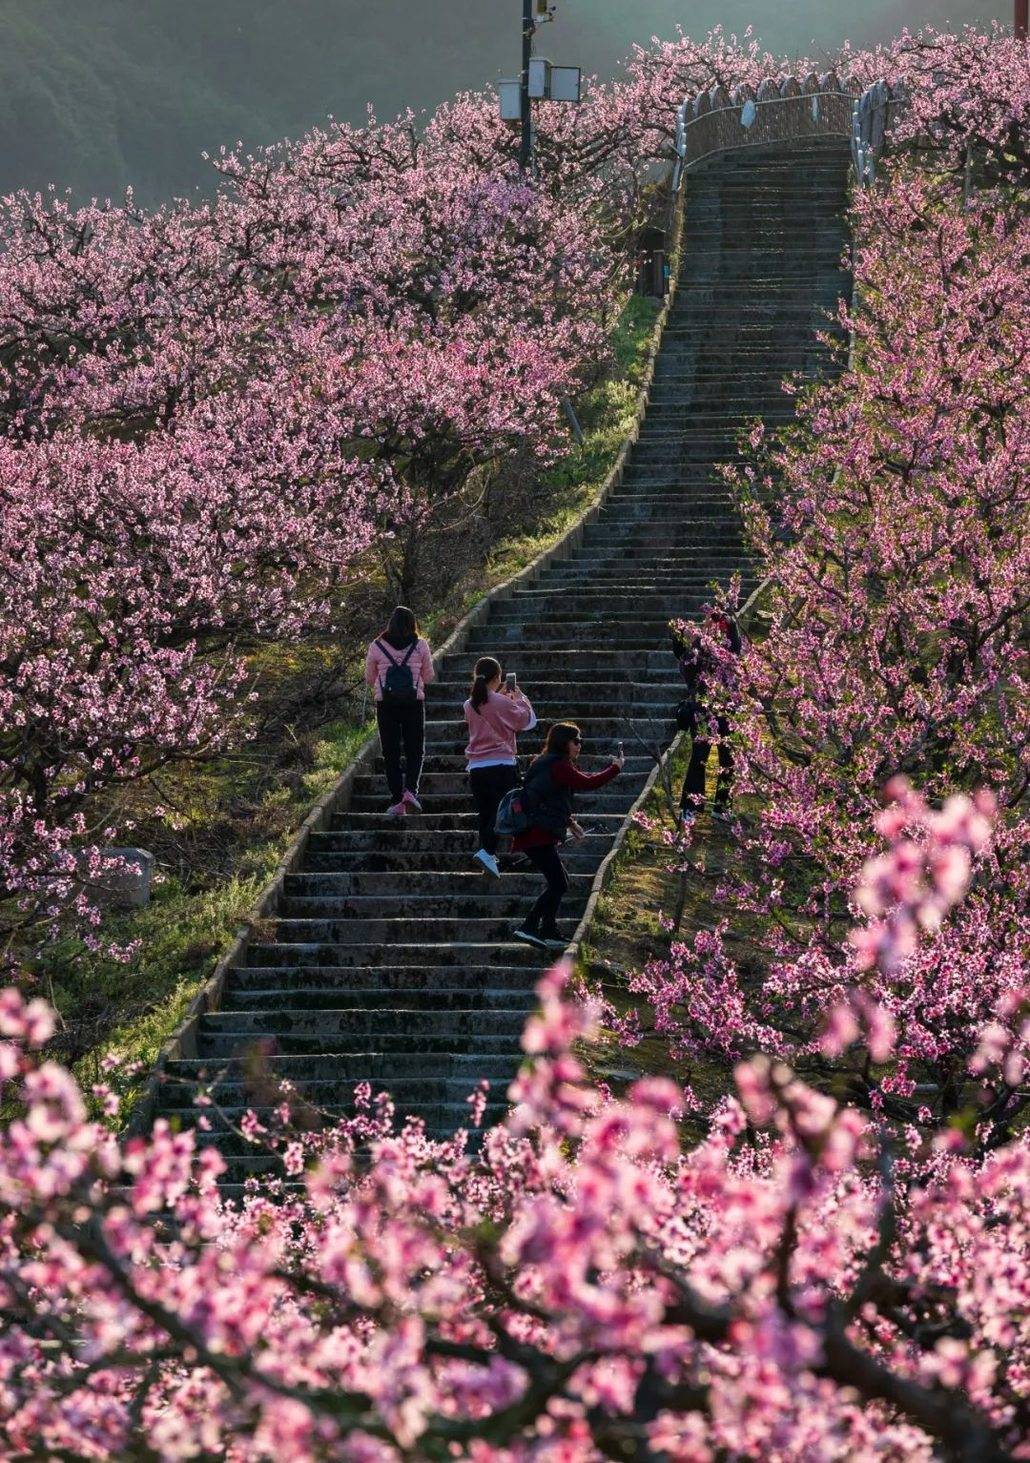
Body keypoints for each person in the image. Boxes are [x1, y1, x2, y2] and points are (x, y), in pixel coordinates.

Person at [511, 722, 624, 952]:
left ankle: (548, 930)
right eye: (576, 741)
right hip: (536, 834)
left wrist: (570, 823)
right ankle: (530, 925)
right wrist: (616, 768)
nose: (580, 745)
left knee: (560, 881)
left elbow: (549, 799)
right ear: (565, 743)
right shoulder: (557, 765)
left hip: (536, 832)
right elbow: (588, 782)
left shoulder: (547, 762)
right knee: (559, 883)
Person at [463, 657, 537, 879]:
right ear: (497, 677)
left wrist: (504, 698)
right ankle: (487, 851)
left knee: (485, 813)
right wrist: (520, 698)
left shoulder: (468, 704)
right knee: (500, 813)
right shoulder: (502, 702)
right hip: (501, 764)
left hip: (476, 766)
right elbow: (528, 722)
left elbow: (489, 708)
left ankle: (488, 856)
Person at [672, 609, 741, 827]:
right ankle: (690, 807)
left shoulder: (728, 650)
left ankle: (722, 806)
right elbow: (687, 664)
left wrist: (725, 624)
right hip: (701, 710)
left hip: (727, 708)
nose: (713, 628)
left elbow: (735, 648)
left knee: (728, 759)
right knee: (699, 758)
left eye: (720, 625)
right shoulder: (693, 654)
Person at [365, 606, 435, 817]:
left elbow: (369, 678)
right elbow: (429, 676)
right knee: (415, 750)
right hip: (413, 703)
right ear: (413, 624)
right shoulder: (420, 645)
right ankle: (411, 791)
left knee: (391, 753)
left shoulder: (376, 646)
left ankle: (397, 800)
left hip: (386, 705)